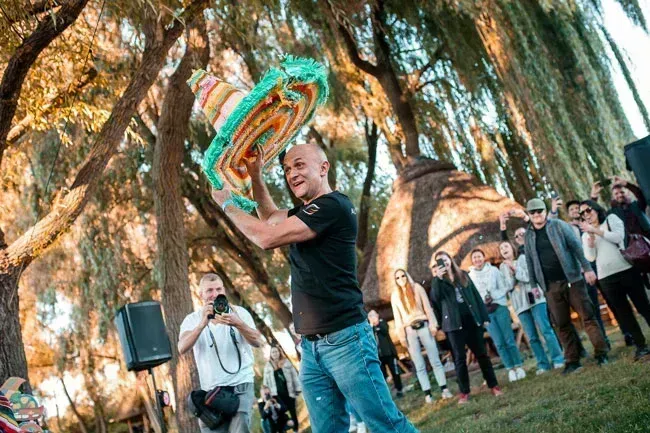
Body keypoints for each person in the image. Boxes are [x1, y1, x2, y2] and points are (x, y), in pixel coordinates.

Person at [210, 143, 417, 433]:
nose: (291, 174)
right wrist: (256, 176)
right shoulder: (308, 212)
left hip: (346, 341)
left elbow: (266, 237)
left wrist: (227, 204)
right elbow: (269, 218)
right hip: (310, 348)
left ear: (323, 168)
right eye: (286, 169)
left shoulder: (333, 206)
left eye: (299, 165)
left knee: (386, 425)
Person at [522, 198, 609, 374]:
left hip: (573, 280)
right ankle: (572, 361)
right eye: (533, 212)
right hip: (550, 286)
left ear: (545, 211)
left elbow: (576, 247)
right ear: (529, 215)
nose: (537, 214)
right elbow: (529, 261)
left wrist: (587, 268)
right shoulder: (528, 236)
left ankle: (601, 353)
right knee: (562, 324)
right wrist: (533, 285)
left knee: (588, 317)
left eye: (539, 211)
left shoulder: (559, 225)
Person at [178, 273, 263, 433]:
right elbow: (182, 348)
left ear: (224, 290)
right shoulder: (192, 319)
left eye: (218, 289)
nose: (215, 294)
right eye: (209, 290)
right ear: (201, 294)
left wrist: (238, 324)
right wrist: (202, 324)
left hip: (241, 385)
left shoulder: (240, 313)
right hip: (211, 392)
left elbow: (258, 342)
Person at [579, 200, 650, 360]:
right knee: (624, 314)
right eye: (582, 213)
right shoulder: (586, 234)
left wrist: (596, 231)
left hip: (627, 270)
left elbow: (618, 237)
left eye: (588, 210)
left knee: (644, 306)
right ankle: (641, 346)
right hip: (606, 278)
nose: (586, 215)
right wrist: (590, 241)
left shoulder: (611, 219)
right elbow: (590, 257)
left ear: (596, 209)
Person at [429, 251, 502, 405]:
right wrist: (438, 279)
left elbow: (475, 296)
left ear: (450, 260)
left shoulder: (463, 275)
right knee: (459, 359)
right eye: (440, 261)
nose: (444, 263)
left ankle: (493, 385)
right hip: (453, 325)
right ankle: (464, 392)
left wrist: (484, 317)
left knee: (482, 355)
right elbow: (435, 300)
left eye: (445, 259)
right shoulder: (438, 281)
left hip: (471, 320)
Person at [499, 241, 565, 373]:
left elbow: (528, 277)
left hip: (535, 299)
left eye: (506, 246)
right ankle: (543, 364)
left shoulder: (523, 258)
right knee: (532, 337)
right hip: (520, 305)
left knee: (546, 330)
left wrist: (515, 269)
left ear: (512, 248)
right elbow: (507, 286)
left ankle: (558, 359)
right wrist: (511, 273)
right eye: (501, 248)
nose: (503, 249)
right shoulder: (502, 267)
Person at [391, 269, 452, 402]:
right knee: (419, 364)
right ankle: (428, 394)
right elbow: (397, 318)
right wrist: (402, 336)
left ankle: (444, 389)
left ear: (407, 276)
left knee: (435, 359)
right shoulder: (395, 296)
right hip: (409, 329)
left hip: (423, 325)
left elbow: (427, 307)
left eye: (403, 276)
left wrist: (433, 324)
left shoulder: (417, 288)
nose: (401, 279)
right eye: (397, 277)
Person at [468, 248, 526, 382]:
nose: (477, 259)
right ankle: (510, 368)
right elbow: (472, 297)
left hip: (499, 306)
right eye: (475, 257)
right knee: (498, 342)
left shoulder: (493, 271)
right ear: (472, 261)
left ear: (483, 257)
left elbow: (504, 287)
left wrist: (493, 295)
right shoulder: (470, 277)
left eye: (479, 256)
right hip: (485, 312)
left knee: (508, 339)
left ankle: (518, 366)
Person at [367, 310, 404, 397]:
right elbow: (369, 336)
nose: (373, 317)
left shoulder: (382, 322)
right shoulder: (369, 327)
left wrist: (377, 325)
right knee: (382, 375)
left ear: (377, 315)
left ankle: (399, 389)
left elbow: (385, 330)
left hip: (389, 353)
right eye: (370, 316)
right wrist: (372, 325)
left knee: (395, 372)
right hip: (379, 356)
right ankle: (385, 394)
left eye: (373, 315)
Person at [263, 346, 300, 431]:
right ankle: (283, 429)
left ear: (279, 352)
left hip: (289, 391)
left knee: (292, 411)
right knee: (280, 413)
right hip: (276, 395)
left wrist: (297, 388)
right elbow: (265, 382)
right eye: (273, 352)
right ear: (270, 354)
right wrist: (267, 394)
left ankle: (296, 429)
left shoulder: (286, 362)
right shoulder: (268, 366)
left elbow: (294, 375)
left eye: (276, 351)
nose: (275, 353)